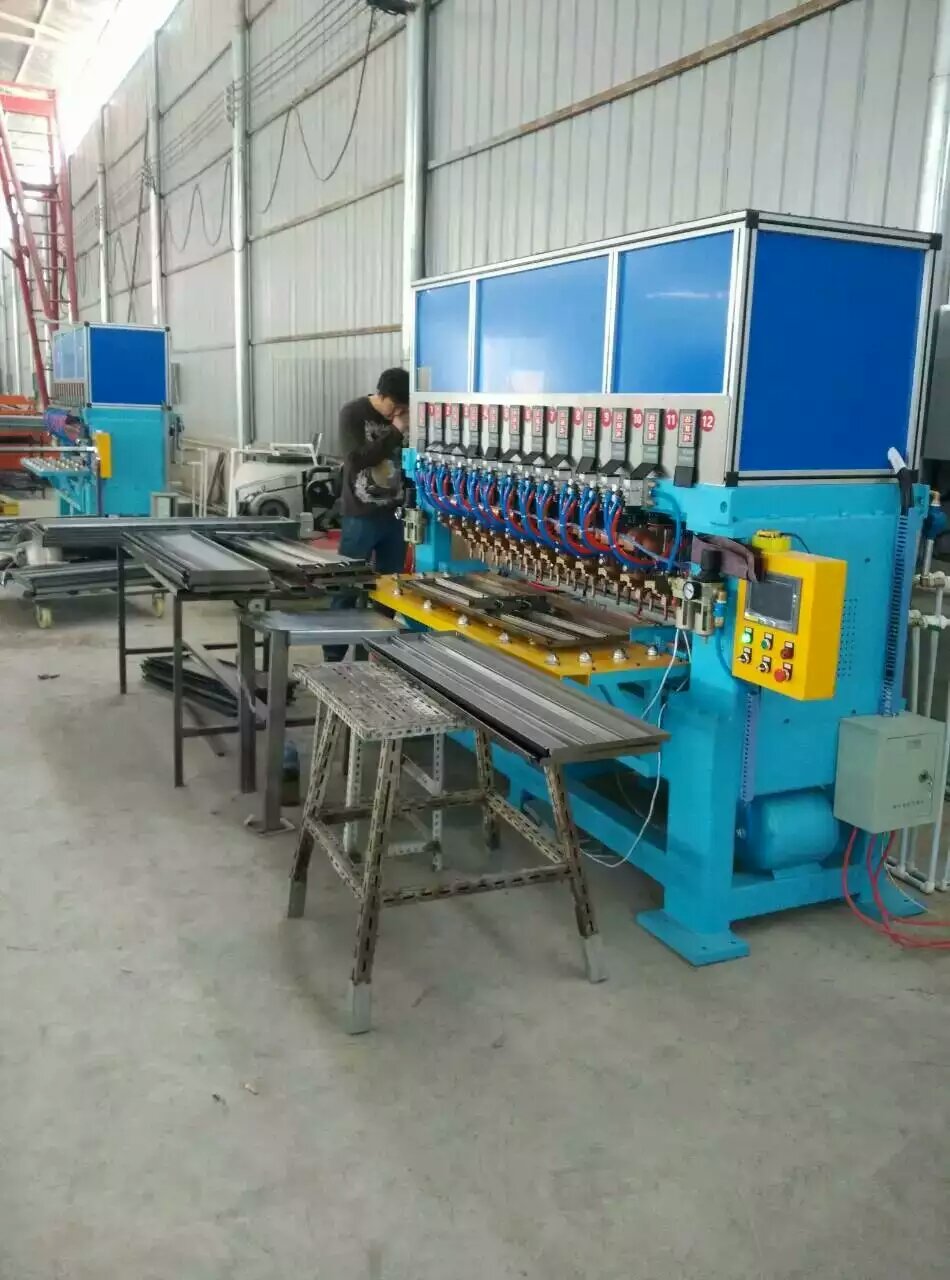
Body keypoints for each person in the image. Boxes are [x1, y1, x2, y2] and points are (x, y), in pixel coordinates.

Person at [324, 367, 410, 662]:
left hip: (394, 516)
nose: (397, 412)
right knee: (346, 586)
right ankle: (333, 658)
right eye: (394, 406)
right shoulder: (353, 413)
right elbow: (356, 460)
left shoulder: (402, 418)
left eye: (403, 408)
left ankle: (374, 655)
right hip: (360, 515)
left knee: (389, 588)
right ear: (381, 395)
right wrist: (395, 432)